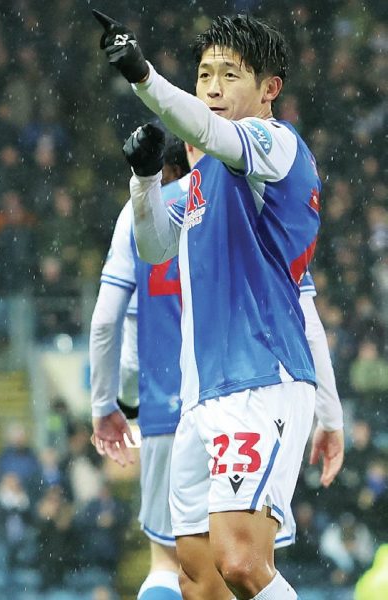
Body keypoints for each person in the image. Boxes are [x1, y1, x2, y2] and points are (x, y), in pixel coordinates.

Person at [94, 11, 345, 599]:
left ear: (268, 90)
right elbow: (154, 244)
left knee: (241, 563)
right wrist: (144, 178)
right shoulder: (202, 180)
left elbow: (211, 133)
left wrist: (141, 75)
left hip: (260, 382)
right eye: (205, 73)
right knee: (199, 580)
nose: (211, 86)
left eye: (229, 75)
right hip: (199, 398)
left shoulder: (274, 145)